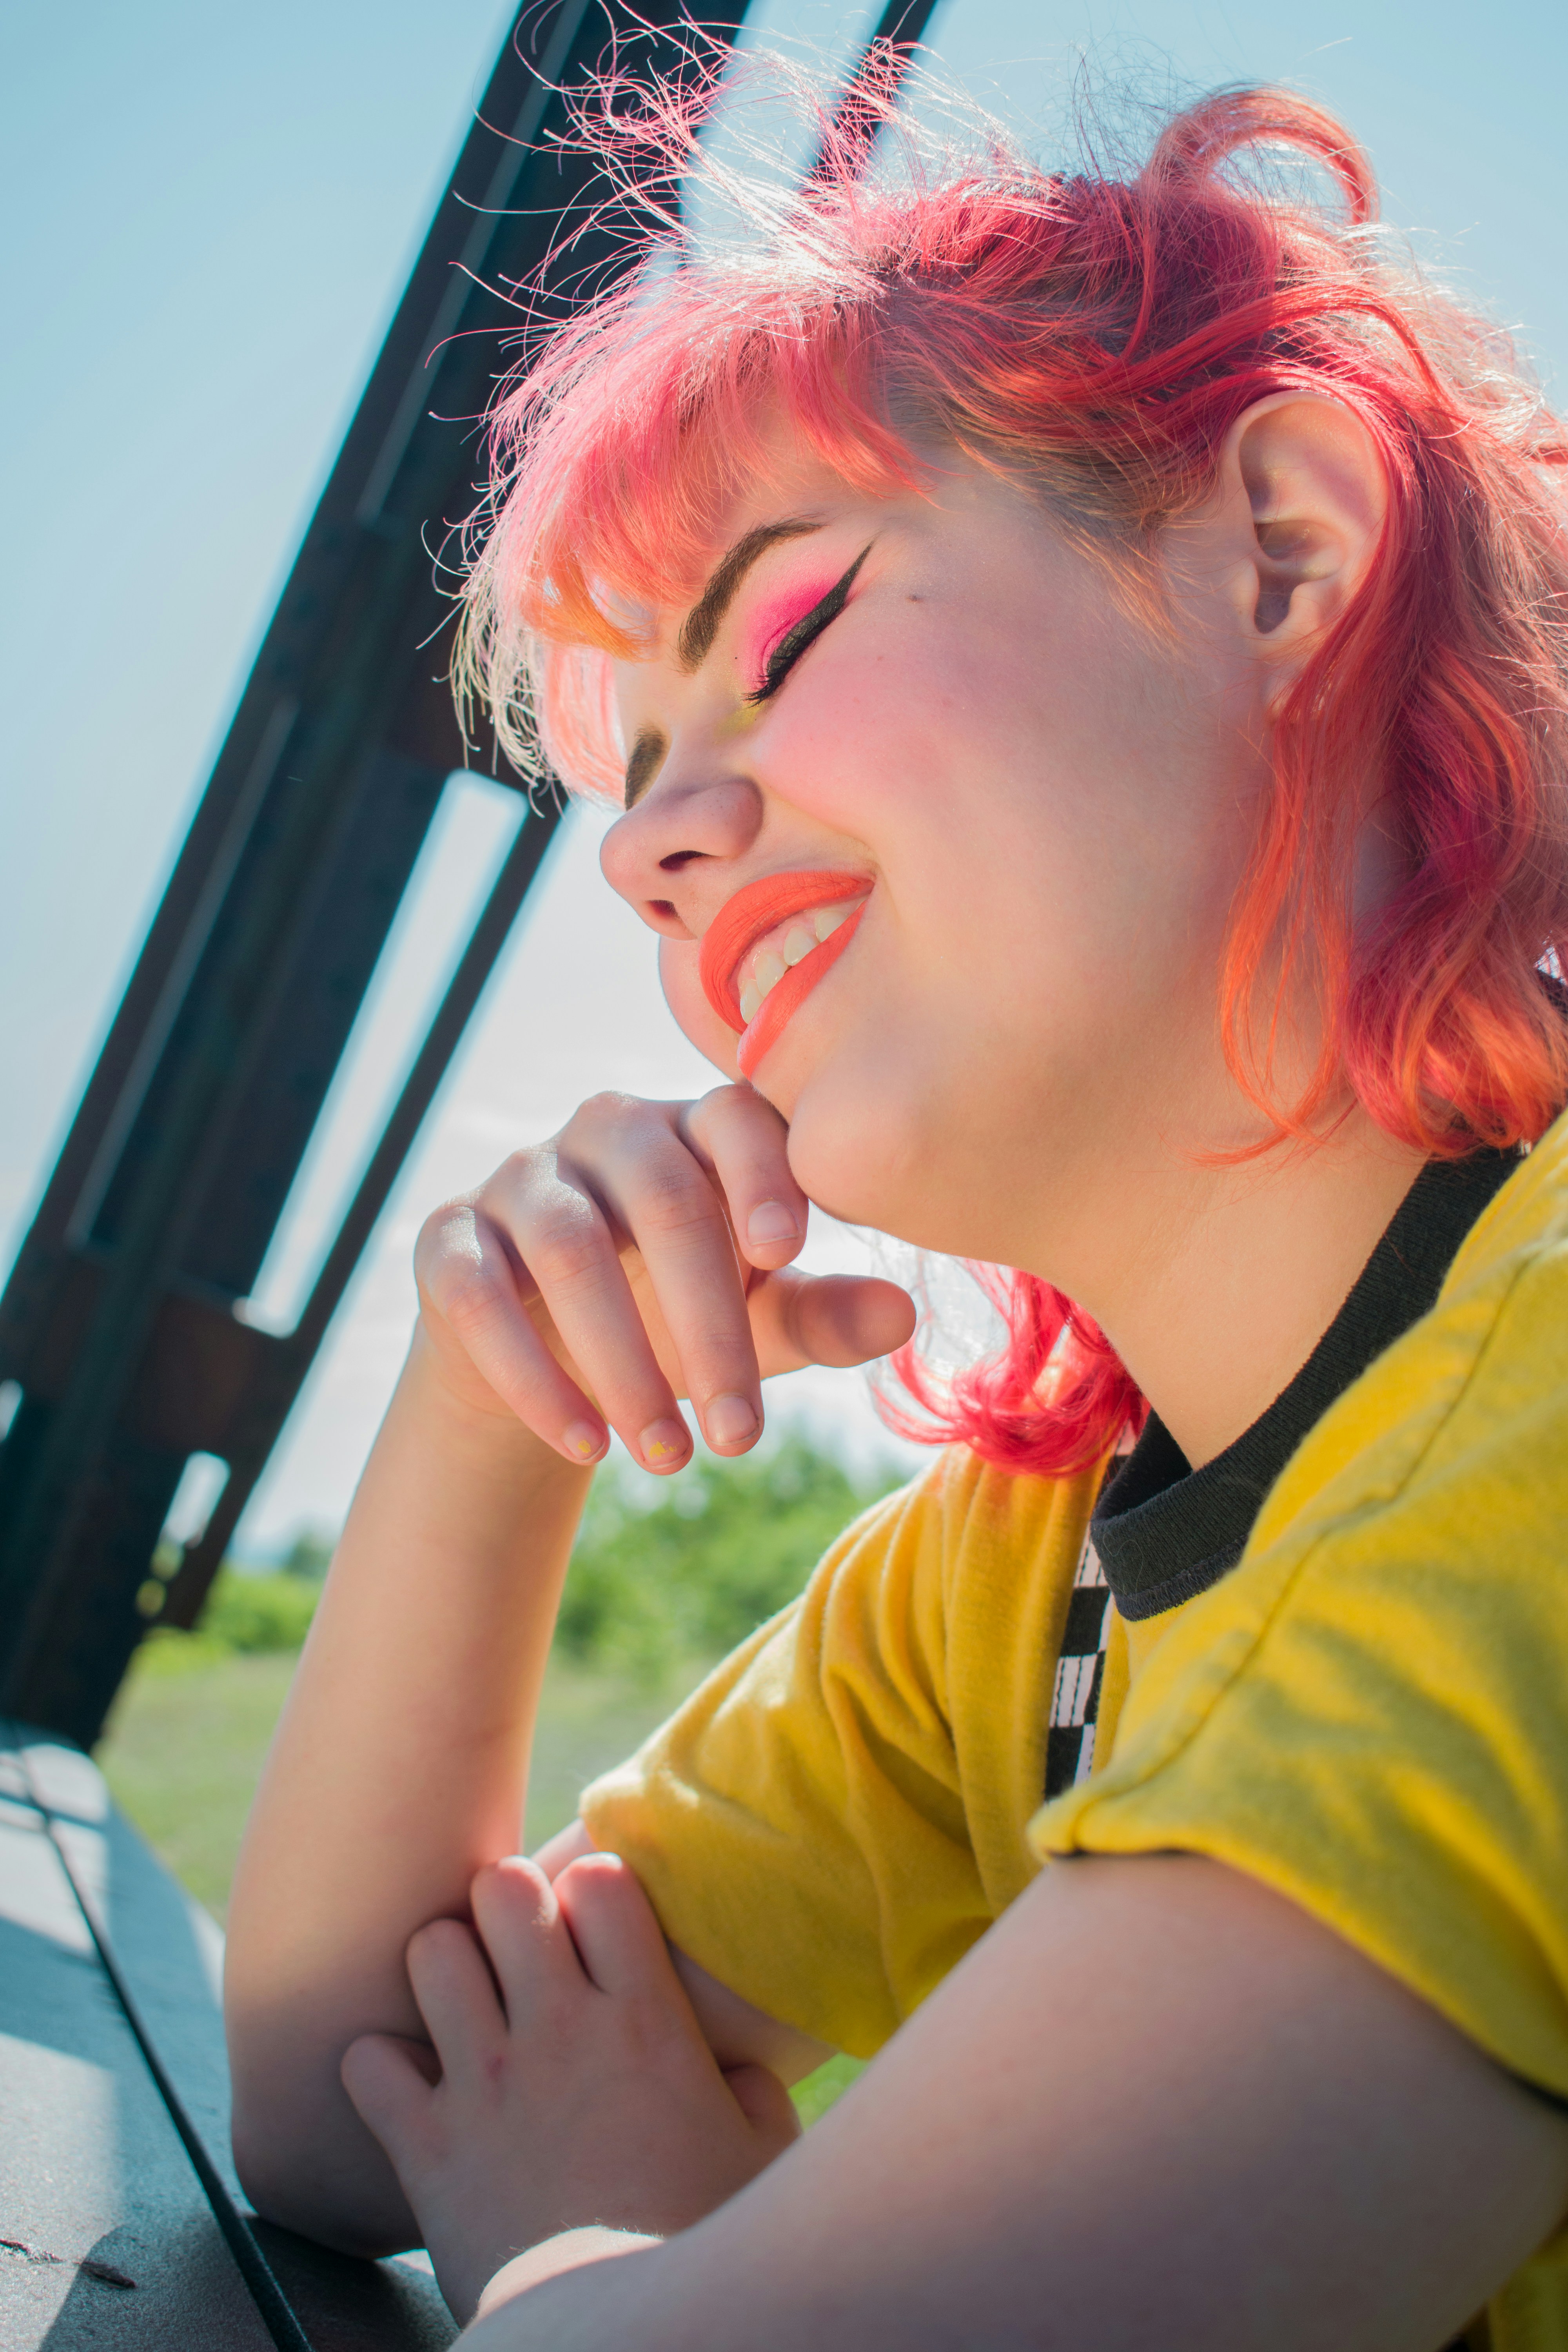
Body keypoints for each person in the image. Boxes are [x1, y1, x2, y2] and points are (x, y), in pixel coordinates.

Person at [223, 56, 1568, 2350]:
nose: (651, 849)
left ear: (1285, 554)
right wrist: (486, 1398)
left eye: (781, 640)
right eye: (632, 794)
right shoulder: (1015, 1566)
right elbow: (352, 2105)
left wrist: (594, 2240)